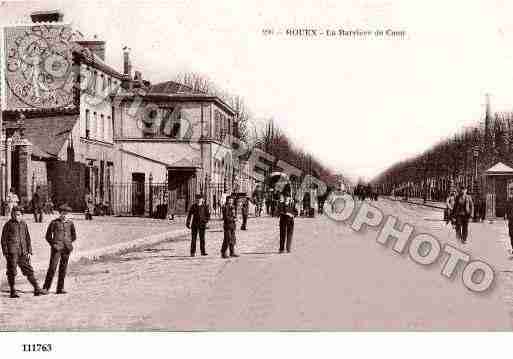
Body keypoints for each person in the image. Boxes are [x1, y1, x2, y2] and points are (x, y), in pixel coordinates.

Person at [1, 207, 48, 298]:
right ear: (12, 215)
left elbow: (27, 238)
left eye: (18, 215)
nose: (16, 216)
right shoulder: (8, 224)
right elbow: (3, 240)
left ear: (22, 215)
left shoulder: (24, 224)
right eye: (14, 214)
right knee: (12, 271)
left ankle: (36, 288)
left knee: (28, 270)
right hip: (12, 252)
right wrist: (6, 252)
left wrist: (29, 250)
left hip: (23, 252)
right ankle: (12, 290)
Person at [43, 204, 77, 294]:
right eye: (63, 213)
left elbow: (74, 236)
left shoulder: (70, 223)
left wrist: (68, 243)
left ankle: (60, 288)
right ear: (59, 213)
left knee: (63, 268)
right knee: (52, 268)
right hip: (56, 248)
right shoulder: (54, 223)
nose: (64, 215)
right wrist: (53, 244)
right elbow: (48, 236)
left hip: (66, 248)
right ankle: (46, 288)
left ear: (69, 214)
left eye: (66, 213)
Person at [278, 187, 297, 253]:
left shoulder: (292, 203)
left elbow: (296, 211)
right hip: (283, 220)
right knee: (282, 235)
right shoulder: (281, 203)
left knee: (290, 234)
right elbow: (279, 211)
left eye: (288, 197)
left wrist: (293, 214)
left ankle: (288, 248)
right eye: (286, 197)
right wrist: (285, 211)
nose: (287, 198)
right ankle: (281, 249)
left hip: (291, 220)